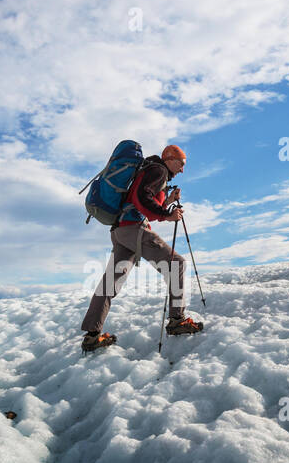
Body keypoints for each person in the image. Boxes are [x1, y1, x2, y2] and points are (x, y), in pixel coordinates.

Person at [81, 144, 203, 350]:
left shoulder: (149, 169)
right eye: (181, 164)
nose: (182, 169)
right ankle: (176, 320)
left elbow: (140, 200)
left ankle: (92, 335)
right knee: (177, 265)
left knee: (110, 282)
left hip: (120, 230)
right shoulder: (159, 170)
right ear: (169, 159)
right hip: (133, 229)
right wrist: (167, 215)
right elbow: (141, 199)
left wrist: (167, 202)